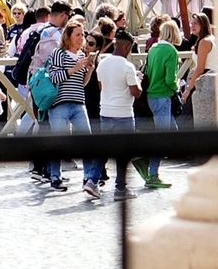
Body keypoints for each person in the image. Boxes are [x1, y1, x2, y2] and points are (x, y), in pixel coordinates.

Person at [43, 19, 97, 196]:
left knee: (87, 141)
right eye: (78, 35)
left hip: (78, 102)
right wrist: (75, 68)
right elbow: (54, 77)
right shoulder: (58, 53)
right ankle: (55, 177)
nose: (81, 38)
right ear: (68, 36)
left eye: (82, 35)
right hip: (59, 103)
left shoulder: (81, 55)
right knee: (59, 142)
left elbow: (82, 83)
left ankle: (88, 177)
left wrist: (89, 70)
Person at [94, 28, 146, 199]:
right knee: (123, 153)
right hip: (123, 114)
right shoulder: (127, 66)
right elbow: (135, 92)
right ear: (128, 46)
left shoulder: (103, 63)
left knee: (104, 149)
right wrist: (139, 80)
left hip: (105, 111)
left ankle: (92, 181)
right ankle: (120, 188)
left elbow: (101, 86)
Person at [143, 18, 182, 188]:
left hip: (151, 95)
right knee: (162, 137)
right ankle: (153, 174)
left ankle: (148, 161)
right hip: (163, 95)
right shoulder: (171, 51)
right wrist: (177, 88)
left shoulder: (153, 48)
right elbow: (170, 79)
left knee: (172, 133)